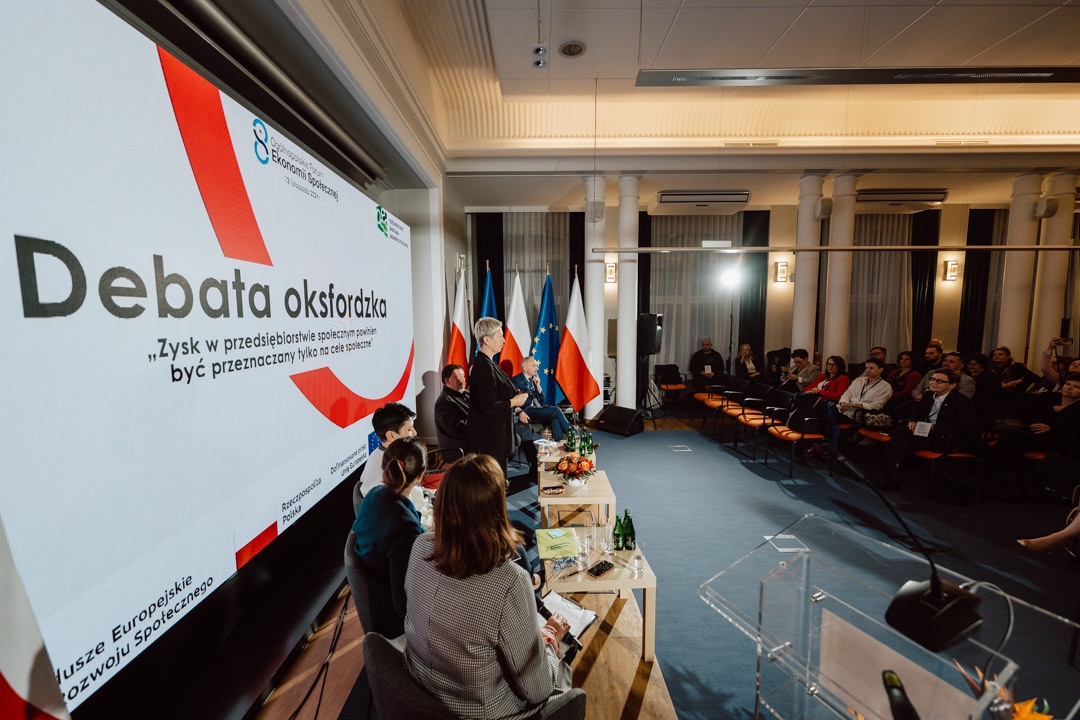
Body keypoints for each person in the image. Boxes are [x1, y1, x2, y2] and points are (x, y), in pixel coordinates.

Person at [404, 454, 574, 719]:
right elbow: (538, 689)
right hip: (478, 710)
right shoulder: (510, 581)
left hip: (417, 694)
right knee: (564, 671)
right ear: (496, 509)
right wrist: (550, 638)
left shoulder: (420, 546)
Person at [351, 436, 427, 638]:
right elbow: (403, 605)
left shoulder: (374, 495)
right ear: (420, 476)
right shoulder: (405, 528)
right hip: (396, 621)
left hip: (380, 589)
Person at [881, 369, 976, 485]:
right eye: (932, 379)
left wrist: (933, 428)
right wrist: (912, 421)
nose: (933, 383)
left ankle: (893, 474)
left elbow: (965, 428)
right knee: (902, 433)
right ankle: (893, 474)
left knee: (900, 438)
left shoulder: (961, 401)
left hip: (943, 437)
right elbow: (915, 413)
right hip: (924, 432)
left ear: (952, 385)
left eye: (939, 381)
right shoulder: (928, 395)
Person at [467, 317, 528, 477]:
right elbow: (486, 406)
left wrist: (514, 395)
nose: (504, 340)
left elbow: (495, 394)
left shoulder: (490, 363)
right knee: (493, 487)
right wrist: (514, 401)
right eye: (499, 336)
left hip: (497, 437)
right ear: (486, 340)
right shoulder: (482, 367)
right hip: (490, 441)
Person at [359, 402, 418, 498]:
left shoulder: (380, 455)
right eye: (409, 429)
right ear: (391, 435)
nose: (415, 433)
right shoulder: (384, 474)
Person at [513, 356, 571, 441]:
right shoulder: (516, 380)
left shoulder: (534, 379)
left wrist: (538, 387)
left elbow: (541, 401)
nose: (537, 368)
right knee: (556, 410)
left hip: (537, 410)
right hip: (527, 411)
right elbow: (510, 400)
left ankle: (559, 445)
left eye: (536, 365)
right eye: (533, 366)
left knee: (554, 419)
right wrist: (519, 411)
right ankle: (574, 435)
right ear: (525, 369)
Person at [434, 364, 470, 451]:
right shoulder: (444, 402)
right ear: (447, 380)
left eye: (463, 376)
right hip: (462, 445)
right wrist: (481, 421)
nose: (463, 379)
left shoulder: (466, 393)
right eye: (458, 376)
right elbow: (456, 429)